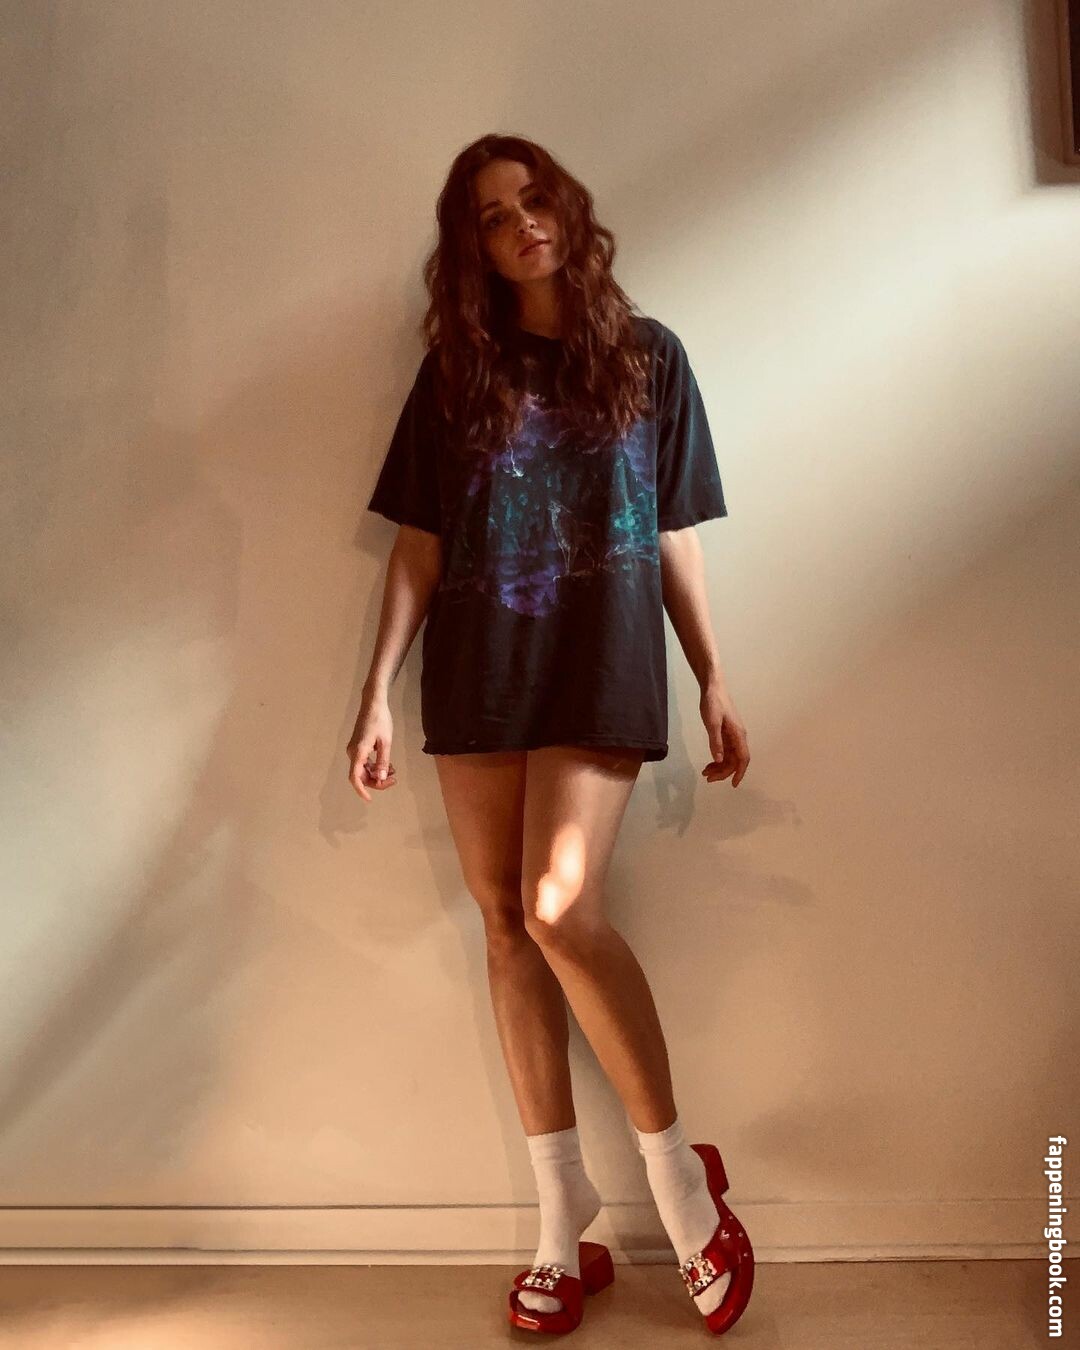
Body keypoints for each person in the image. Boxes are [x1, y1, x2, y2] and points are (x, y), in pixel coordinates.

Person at [347, 133, 754, 1336]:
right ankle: (558, 1215)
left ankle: (682, 1188)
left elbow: (673, 531)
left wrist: (713, 677)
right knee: (505, 924)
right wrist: (374, 693)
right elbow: (419, 543)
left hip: (597, 667)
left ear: (568, 209)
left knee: (557, 907)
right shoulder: (456, 372)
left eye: (532, 199)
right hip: (480, 667)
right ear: (470, 247)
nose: (519, 222)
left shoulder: (648, 356)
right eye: (490, 215)